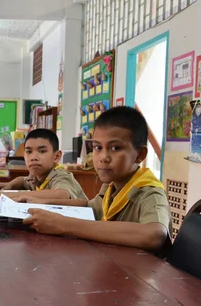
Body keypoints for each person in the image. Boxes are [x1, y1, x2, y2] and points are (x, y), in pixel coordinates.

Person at [20, 106, 171, 253]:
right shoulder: (112, 185)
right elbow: (89, 206)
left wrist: (64, 224)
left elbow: (154, 234)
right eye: (98, 148)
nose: (103, 158)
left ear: (140, 154)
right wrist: (44, 203)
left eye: (115, 148)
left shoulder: (150, 192)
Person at [0, 129, 87, 205]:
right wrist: (7, 185)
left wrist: (2, 196)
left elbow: (62, 195)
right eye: (29, 152)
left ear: (56, 157)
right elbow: (23, 180)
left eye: (42, 151)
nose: (33, 157)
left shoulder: (60, 175)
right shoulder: (36, 174)